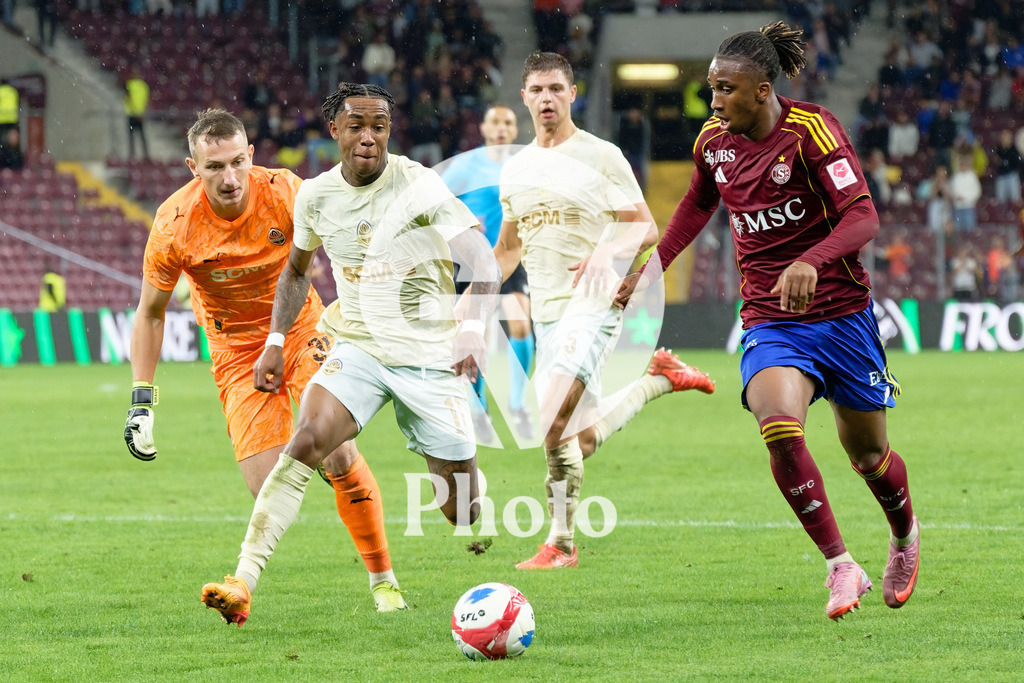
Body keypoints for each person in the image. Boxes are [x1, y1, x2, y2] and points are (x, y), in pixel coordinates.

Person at [615, 22, 920, 621]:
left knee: (869, 457)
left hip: (843, 317)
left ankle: (905, 540)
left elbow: (863, 219)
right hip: (769, 319)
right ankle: (840, 564)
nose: (714, 101)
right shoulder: (714, 142)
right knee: (779, 426)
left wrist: (812, 259)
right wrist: (652, 269)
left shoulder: (812, 132)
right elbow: (699, 203)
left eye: (726, 89)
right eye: (711, 88)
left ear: (762, 90)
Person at [200, 84, 500, 626]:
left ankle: (460, 468)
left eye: (380, 126)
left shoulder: (418, 184)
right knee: (308, 438)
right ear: (334, 130)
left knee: (463, 509)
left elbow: (485, 264)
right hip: (358, 345)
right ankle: (242, 579)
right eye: (357, 125)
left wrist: (473, 328)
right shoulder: (315, 196)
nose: (369, 137)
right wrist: (273, 341)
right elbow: (295, 271)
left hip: (430, 355)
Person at [126, 109, 406, 616]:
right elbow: (150, 313)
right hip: (235, 352)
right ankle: (246, 588)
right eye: (214, 168)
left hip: (303, 332)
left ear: (251, 155)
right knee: (265, 485)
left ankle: (383, 581)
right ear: (193, 167)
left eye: (237, 162)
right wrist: (141, 402)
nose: (229, 178)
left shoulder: (285, 192)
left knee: (337, 453)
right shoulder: (173, 223)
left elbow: (349, 241)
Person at [491, 52, 715, 571]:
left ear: (573, 94)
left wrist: (605, 251)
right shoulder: (517, 170)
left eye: (556, 89)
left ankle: (561, 545)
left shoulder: (601, 156)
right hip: (546, 311)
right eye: (537, 90)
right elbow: (507, 249)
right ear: (524, 98)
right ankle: (658, 379)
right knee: (580, 437)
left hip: (594, 302)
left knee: (550, 421)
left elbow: (644, 227)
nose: (546, 98)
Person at [441, 104, 536, 443]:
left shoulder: (524, 166)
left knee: (521, 320)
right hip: (473, 260)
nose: (501, 128)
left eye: (508, 122)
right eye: (495, 121)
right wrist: (463, 220)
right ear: (483, 127)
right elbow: (438, 199)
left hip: (510, 256)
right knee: (474, 328)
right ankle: (478, 409)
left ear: (514, 130)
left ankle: (517, 404)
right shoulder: (466, 164)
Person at [124, 71, 151, 161]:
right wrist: (139, 112)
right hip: (135, 115)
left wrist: (140, 112)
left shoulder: (134, 85)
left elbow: (145, 100)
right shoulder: (136, 85)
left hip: (136, 114)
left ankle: (143, 156)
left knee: (138, 136)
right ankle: (134, 155)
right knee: (136, 137)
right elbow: (129, 98)